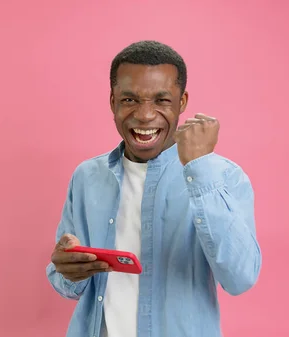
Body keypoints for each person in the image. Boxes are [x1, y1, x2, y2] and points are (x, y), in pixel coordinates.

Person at [46, 40, 261, 337]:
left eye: (161, 100)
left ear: (182, 102)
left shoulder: (222, 177)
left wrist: (198, 168)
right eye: (130, 100)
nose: (145, 115)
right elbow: (68, 284)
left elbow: (240, 278)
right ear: (112, 101)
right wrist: (67, 271)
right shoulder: (87, 177)